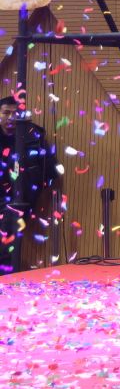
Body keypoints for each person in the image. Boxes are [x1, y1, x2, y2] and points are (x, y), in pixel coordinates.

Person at [1, 93, 59, 274]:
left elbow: (51, 170)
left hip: (21, 200)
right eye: (6, 113)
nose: (11, 118)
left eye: (15, 113)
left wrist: (34, 190)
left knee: (6, 243)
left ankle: (5, 280)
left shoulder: (33, 135)